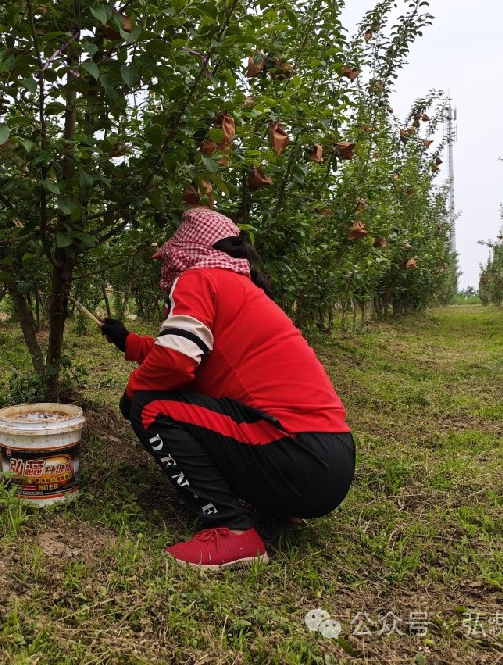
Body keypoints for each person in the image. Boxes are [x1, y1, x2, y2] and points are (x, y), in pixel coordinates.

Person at [99, 207, 354, 570]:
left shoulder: (200, 277)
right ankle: (274, 503)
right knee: (181, 403)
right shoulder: (240, 287)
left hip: (296, 454)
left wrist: (132, 392)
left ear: (189, 246)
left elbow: (175, 360)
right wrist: (128, 342)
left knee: (152, 407)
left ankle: (231, 530)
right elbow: (192, 351)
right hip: (326, 460)